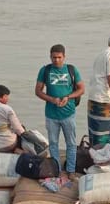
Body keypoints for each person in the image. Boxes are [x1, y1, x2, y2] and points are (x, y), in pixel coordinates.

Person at [35, 44, 84, 176]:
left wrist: (68, 97)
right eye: (54, 57)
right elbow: (38, 91)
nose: (56, 60)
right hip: (51, 115)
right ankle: (55, 170)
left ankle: (71, 171)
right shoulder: (45, 70)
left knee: (71, 144)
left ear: (64, 57)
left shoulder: (71, 70)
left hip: (69, 114)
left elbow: (81, 89)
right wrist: (51, 99)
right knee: (53, 144)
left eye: (59, 57)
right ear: (50, 57)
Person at [87, 34, 110, 146]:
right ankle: (101, 157)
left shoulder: (101, 54)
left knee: (94, 131)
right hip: (103, 100)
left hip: (93, 98)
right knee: (104, 133)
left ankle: (94, 153)